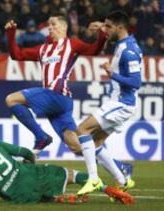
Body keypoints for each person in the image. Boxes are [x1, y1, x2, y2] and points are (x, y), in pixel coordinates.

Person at [4, 13, 109, 192]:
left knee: (11, 99)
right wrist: (11, 34)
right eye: (49, 25)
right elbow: (16, 55)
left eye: (53, 25)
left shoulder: (72, 43)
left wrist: (102, 34)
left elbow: (94, 50)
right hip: (60, 104)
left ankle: (41, 137)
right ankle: (119, 167)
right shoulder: (42, 49)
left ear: (63, 27)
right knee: (76, 147)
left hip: (57, 94)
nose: (50, 28)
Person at [0, 132, 134, 204]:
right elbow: (26, 153)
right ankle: (112, 191)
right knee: (71, 174)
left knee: (43, 197)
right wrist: (30, 165)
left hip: (16, 196)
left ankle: (58, 199)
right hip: (28, 175)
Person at [76, 11, 142, 195]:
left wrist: (113, 74)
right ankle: (123, 180)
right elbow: (108, 30)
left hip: (122, 103)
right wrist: (100, 26)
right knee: (96, 142)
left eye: (108, 26)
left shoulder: (128, 51)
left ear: (120, 27)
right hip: (120, 102)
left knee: (82, 130)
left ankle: (93, 179)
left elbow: (136, 83)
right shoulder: (122, 43)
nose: (105, 30)